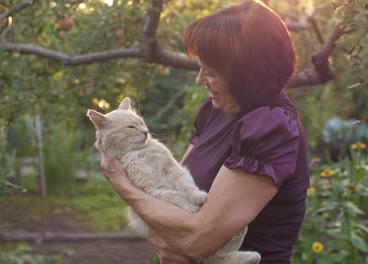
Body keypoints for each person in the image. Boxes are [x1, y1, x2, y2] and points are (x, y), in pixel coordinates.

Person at [101, 0, 310, 263]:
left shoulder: (270, 129)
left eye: (210, 71)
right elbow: (168, 201)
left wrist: (122, 185)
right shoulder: (214, 113)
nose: (199, 80)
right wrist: (166, 235)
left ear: (245, 74)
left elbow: (195, 239)